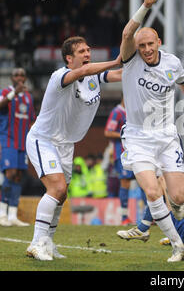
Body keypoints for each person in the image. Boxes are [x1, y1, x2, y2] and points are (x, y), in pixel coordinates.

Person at [118, 0, 184, 262]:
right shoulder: (130, 59)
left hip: (168, 136)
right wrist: (146, 5)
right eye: (141, 45)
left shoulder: (172, 63)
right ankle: (178, 247)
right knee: (153, 191)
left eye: (149, 44)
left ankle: (173, 214)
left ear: (159, 42)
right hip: (138, 137)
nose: (145, 49)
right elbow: (128, 31)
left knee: (178, 197)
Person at [25, 35, 122, 261]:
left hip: (66, 144)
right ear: (69, 59)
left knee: (61, 196)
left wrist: (143, 69)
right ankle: (36, 243)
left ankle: (47, 243)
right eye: (81, 52)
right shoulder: (60, 76)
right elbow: (85, 72)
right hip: (43, 139)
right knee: (57, 188)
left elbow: (118, 75)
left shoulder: (94, 76)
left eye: (88, 50)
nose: (87, 54)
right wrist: (115, 60)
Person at [0, 68, 35, 227]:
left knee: (18, 176)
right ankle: (1, 214)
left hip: (22, 142)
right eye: (16, 75)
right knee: (10, 174)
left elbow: (32, 119)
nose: (19, 77)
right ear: (12, 78)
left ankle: (12, 215)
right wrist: (14, 93)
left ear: (25, 78)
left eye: (22, 75)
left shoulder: (28, 97)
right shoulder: (5, 92)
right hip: (8, 140)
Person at [104, 98, 136, 225]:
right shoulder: (117, 112)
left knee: (144, 181)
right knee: (125, 182)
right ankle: (124, 218)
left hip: (136, 153)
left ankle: (150, 218)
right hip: (122, 154)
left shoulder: (133, 112)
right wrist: (124, 135)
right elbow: (108, 132)